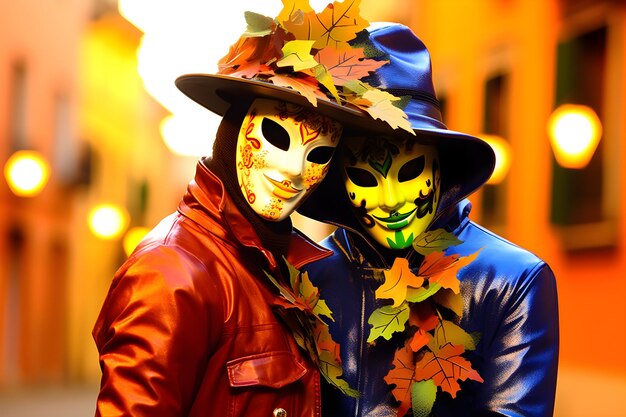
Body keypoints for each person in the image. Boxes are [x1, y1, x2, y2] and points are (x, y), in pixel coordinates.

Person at [92, 1, 417, 416]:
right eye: (277, 138)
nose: (294, 170)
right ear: (233, 129)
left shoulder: (273, 267)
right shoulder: (171, 272)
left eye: (318, 154)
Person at [297, 23, 560, 416]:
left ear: (440, 166)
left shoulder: (510, 282)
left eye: (409, 172)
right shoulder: (310, 275)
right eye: (367, 178)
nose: (390, 201)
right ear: (341, 177)